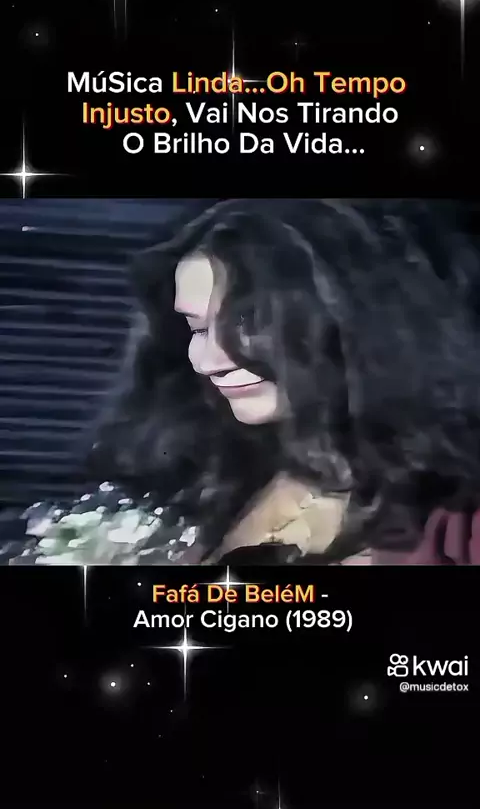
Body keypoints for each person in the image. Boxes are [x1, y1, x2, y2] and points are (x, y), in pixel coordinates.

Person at [6, 198, 480, 565]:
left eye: (247, 323)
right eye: (196, 327)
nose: (209, 360)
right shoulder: (200, 479)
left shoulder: (458, 520)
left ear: (355, 322)